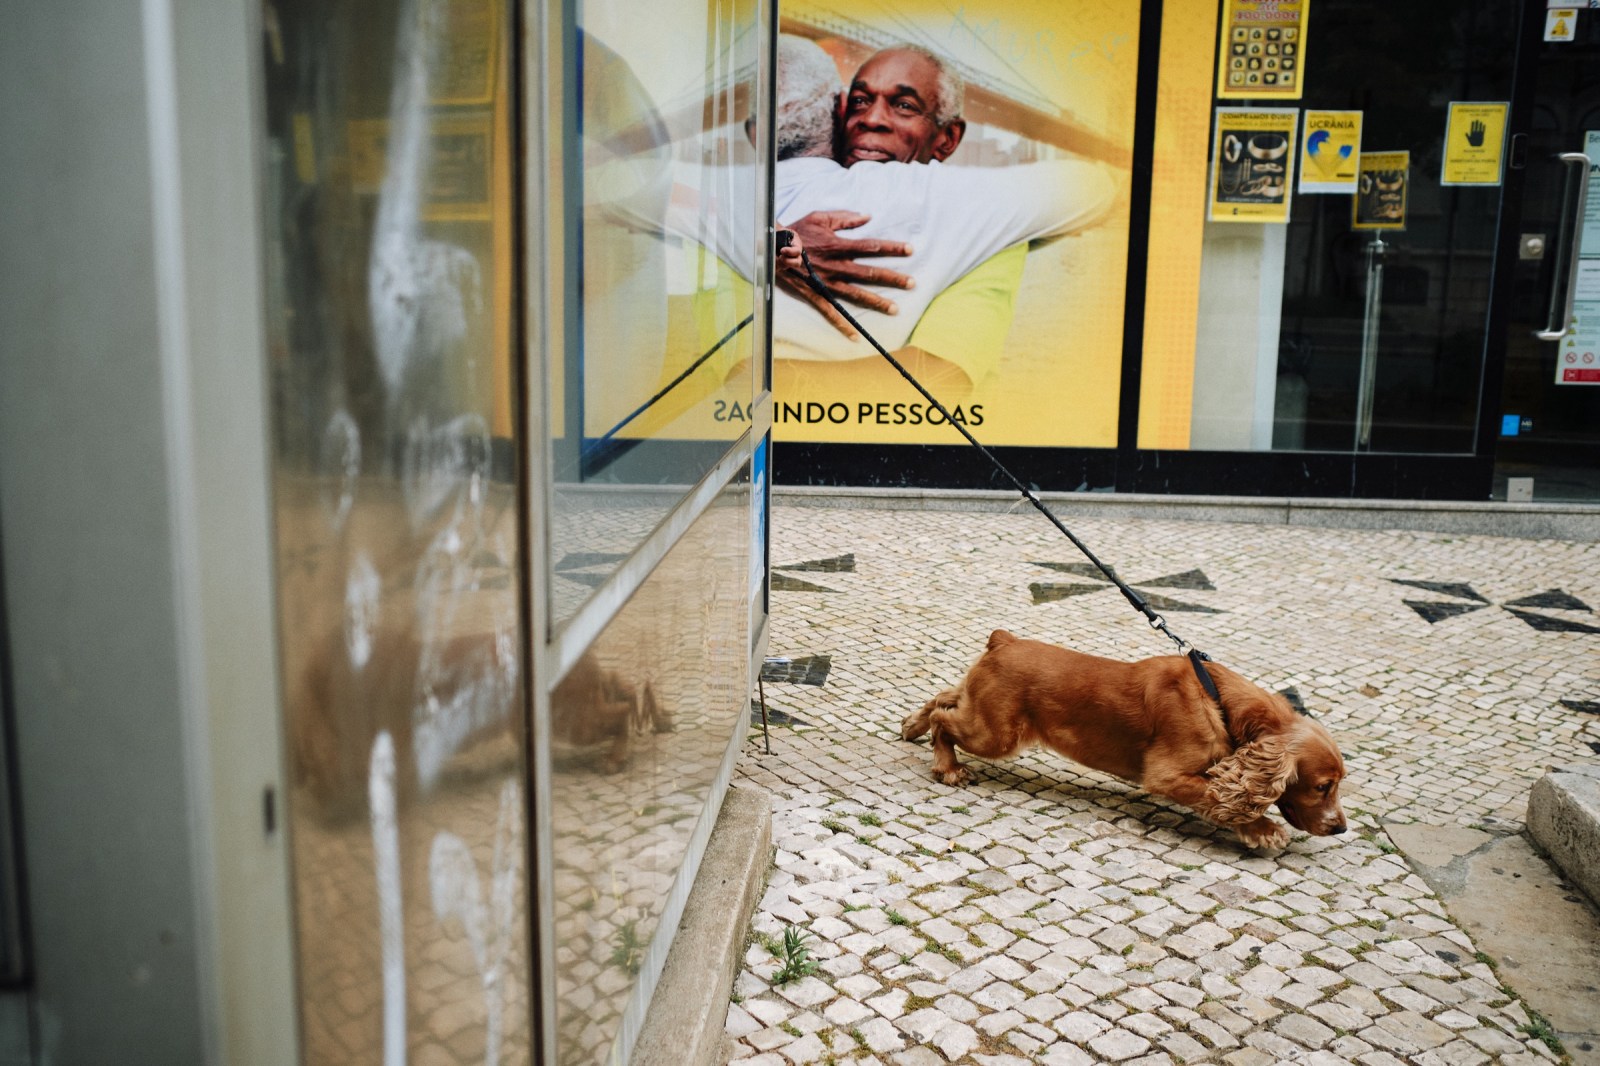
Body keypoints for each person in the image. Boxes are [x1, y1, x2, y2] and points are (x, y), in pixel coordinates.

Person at [772, 37, 1115, 393]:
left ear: (947, 139)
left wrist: (758, 381)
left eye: (904, 106)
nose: (871, 119)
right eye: (860, 101)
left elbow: (936, 380)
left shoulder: (983, 227)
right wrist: (776, 242)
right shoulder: (784, 199)